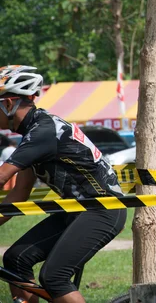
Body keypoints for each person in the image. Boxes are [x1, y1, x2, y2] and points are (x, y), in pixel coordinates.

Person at [0, 65, 126, 303]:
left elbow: (2, 177)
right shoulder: (33, 133)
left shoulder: (42, 132)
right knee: (16, 259)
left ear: (8, 104)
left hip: (103, 209)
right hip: (77, 210)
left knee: (54, 277)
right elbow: (19, 191)